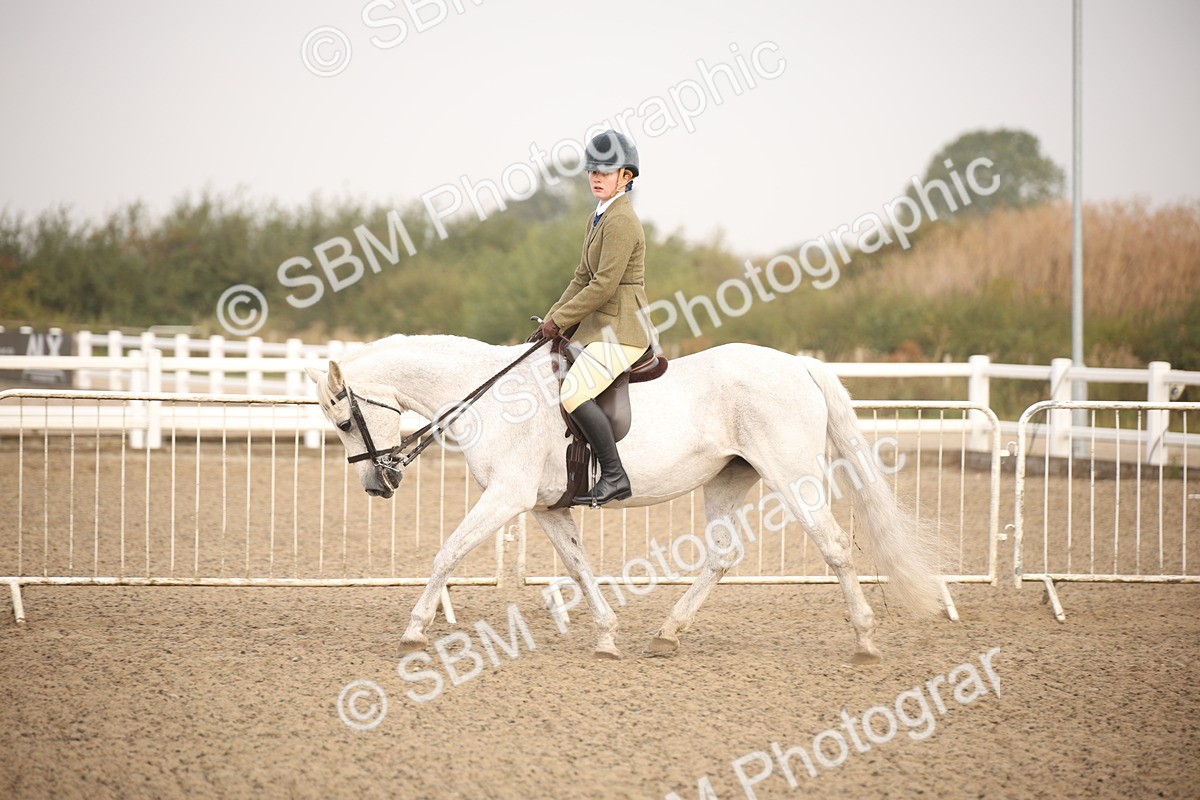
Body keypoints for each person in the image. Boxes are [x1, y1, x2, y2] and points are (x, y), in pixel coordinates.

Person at [535, 129, 655, 506]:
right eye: (592, 171)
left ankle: (615, 475)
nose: (596, 177)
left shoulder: (621, 221)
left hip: (621, 330)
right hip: (601, 329)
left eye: (606, 170)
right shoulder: (598, 217)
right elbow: (581, 278)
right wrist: (551, 321)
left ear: (627, 176)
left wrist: (561, 321)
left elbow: (603, 286)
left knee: (573, 392)